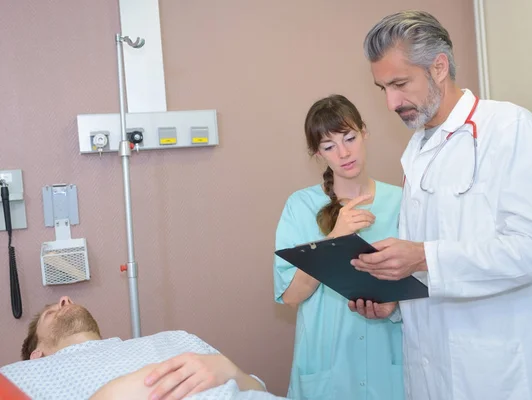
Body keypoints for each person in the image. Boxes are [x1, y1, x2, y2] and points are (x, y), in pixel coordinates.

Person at [348, 10, 532, 400]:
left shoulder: (507, 127)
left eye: (400, 84)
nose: (390, 102)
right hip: (432, 371)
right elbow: (434, 268)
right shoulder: (417, 149)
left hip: (502, 373)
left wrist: (423, 257)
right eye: (382, 88)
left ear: (438, 67)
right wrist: (396, 305)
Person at [273, 94, 405, 399]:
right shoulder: (300, 206)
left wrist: (394, 306)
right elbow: (291, 296)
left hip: (389, 362)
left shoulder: (401, 201)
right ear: (318, 154)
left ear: (364, 133)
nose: (344, 153)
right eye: (329, 146)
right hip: (327, 366)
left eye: (349, 138)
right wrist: (334, 240)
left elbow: (421, 280)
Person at [0, 296, 278, 400]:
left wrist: (230, 370)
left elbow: (259, 390)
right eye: (50, 312)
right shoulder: (18, 377)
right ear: (36, 356)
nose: (64, 299)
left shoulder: (173, 338)